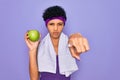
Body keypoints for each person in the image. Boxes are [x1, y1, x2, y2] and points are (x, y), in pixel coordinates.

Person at [24, 5, 90, 80]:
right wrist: (32, 50)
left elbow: (73, 40)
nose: (55, 28)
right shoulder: (39, 46)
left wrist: (76, 36)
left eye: (59, 24)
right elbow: (34, 79)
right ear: (46, 25)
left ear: (63, 25)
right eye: (51, 24)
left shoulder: (69, 45)